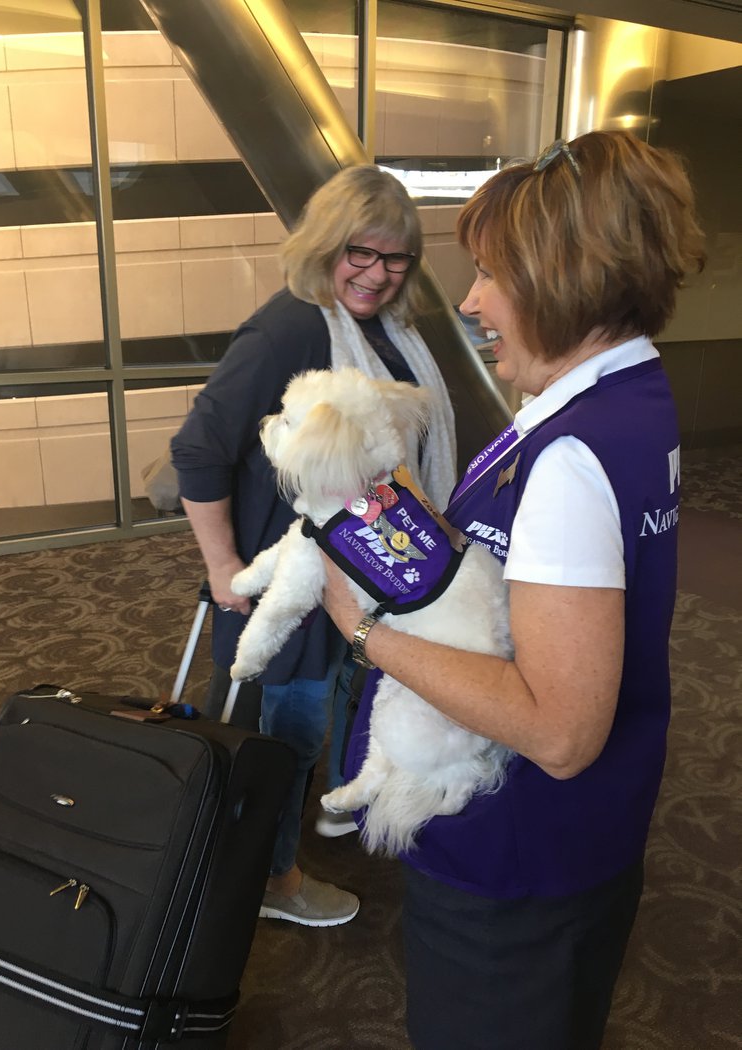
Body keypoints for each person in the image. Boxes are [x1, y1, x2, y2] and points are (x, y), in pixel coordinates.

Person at [321, 131, 705, 1044]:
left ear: (565, 278)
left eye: (493, 272)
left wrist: (366, 631)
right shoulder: (619, 401)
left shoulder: (572, 451)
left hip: (516, 853)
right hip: (576, 842)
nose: (470, 299)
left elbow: (561, 732)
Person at [171, 164, 457, 928]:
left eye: (395, 258)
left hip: (353, 574)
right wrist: (224, 566)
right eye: (359, 252)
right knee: (281, 740)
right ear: (325, 244)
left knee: (330, 710)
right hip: (287, 581)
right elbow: (198, 448)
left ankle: (314, 826)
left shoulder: (385, 329)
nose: (376, 273)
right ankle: (273, 883)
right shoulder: (293, 325)